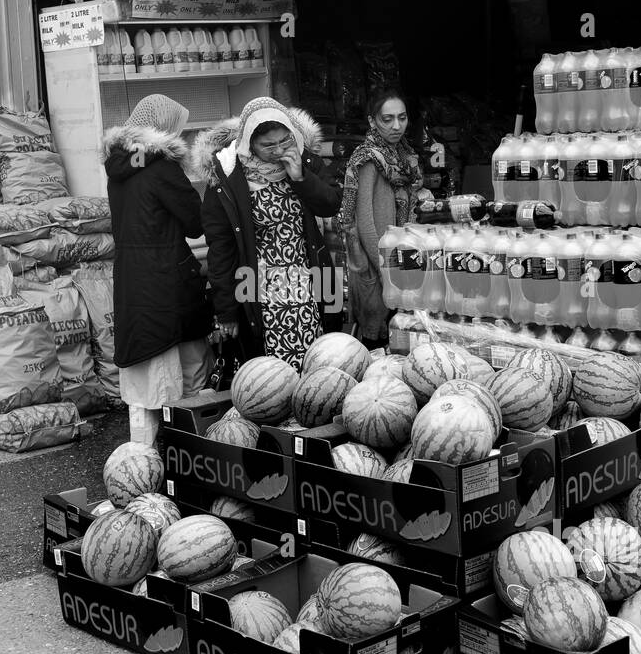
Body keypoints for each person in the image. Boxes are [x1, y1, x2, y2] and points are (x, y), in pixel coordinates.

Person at [191, 97, 341, 372]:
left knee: (323, 361)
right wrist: (226, 310)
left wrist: (300, 177)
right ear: (249, 143)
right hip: (262, 288)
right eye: (268, 145)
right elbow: (220, 247)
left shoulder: (305, 160)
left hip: (315, 277)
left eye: (284, 141)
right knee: (274, 372)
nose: (279, 150)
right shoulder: (227, 177)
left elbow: (330, 203)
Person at [103, 94, 212, 446]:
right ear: (166, 130)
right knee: (180, 379)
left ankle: (140, 461)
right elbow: (195, 223)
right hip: (167, 283)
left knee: (143, 383)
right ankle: (186, 460)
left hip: (133, 282)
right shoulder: (162, 167)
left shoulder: (119, 165)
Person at [338, 89, 423, 349]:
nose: (396, 126)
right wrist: (389, 271)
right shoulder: (368, 159)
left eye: (402, 117)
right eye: (387, 119)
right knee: (377, 340)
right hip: (376, 265)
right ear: (372, 121)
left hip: (398, 260)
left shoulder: (403, 157)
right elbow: (364, 224)